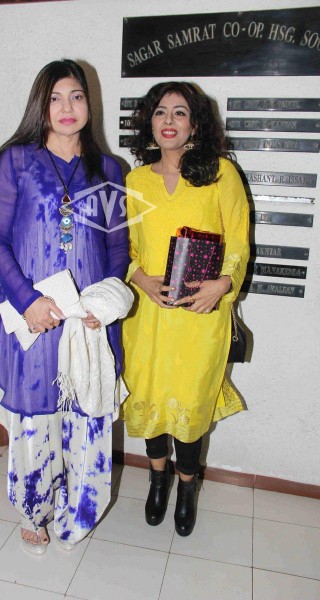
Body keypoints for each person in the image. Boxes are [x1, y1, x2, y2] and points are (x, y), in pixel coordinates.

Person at [0, 59, 130, 554]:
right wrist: (28, 301)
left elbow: (118, 248)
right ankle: (33, 508)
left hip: (88, 320)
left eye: (76, 97)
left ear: (89, 104)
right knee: (36, 416)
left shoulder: (109, 170)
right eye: (56, 98)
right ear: (40, 106)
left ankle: (77, 512)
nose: (67, 107)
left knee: (86, 412)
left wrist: (104, 304)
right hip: (35, 317)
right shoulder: (16, 161)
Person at [122, 81, 250, 537]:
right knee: (150, 397)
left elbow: (239, 239)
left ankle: (188, 484)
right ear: (149, 122)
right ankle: (158, 478)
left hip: (200, 316)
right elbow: (123, 247)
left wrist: (224, 283)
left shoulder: (220, 174)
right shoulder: (135, 181)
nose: (169, 120)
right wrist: (139, 277)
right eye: (160, 112)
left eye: (180, 112)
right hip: (148, 316)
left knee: (191, 405)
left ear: (195, 124)